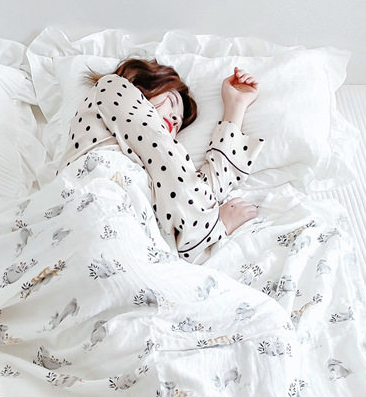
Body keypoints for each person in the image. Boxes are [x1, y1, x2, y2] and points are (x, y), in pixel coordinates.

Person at [60, 59, 264, 262]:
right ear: (142, 87)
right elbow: (185, 189)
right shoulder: (111, 86)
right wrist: (217, 226)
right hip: (87, 218)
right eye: (171, 102)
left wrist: (236, 106)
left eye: (179, 123)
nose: (175, 119)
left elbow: (197, 192)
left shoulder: (157, 176)